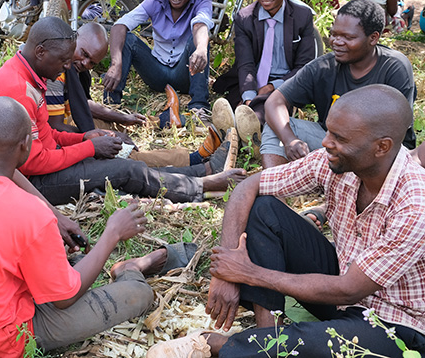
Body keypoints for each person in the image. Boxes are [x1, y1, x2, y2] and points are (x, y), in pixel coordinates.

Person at [146, 85, 425, 357]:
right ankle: (268, 331)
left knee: (315, 343)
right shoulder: (334, 163)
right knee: (264, 209)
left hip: (395, 322)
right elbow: (249, 187)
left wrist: (247, 273)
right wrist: (226, 269)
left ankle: (223, 346)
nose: (326, 142)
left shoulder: (415, 203)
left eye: (340, 138)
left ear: (382, 147)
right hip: (342, 282)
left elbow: (349, 290)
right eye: (328, 131)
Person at [0, 96, 198, 357]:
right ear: (25, 145)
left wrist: (54, 213)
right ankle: (129, 270)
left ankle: (79, 265)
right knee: (139, 295)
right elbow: (66, 299)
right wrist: (112, 233)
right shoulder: (30, 218)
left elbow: (6, 168)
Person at [0, 17, 245, 207]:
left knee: (128, 165)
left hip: (47, 167)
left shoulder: (28, 76)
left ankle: (205, 171)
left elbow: (48, 133)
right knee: (125, 172)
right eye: (62, 61)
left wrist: (85, 139)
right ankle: (202, 187)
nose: (65, 68)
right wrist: (91, 149)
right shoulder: (18, 89)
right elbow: (33, 163)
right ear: (40, 52)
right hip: (34, 183)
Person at [46, 22, 231, 171]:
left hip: (68, 127)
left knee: (110, 126)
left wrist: (122, 120)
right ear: (74, 38)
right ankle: (195, 160)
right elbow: (57, 130)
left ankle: (162, 120)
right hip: (61, 138)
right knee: (122, 153)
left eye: (91, 63)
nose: (85, 63)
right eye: (84, 54)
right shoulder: (56, 70)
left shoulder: (69, 64)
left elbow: (83, 106)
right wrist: (98, 137)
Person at [261, 0, 415, 169]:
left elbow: (394, 128)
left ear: (373, 38)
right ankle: (273, 188)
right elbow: (275, 102)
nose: (337, 42)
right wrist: (290, 140)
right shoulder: (323, 66)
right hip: (333, 144)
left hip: (378, 152)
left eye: (348, 37)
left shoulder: (393, 68)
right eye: (334, 34)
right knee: (278, 127)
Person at [102, 0, 213, 123]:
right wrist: (115, 63)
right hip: (156, 74)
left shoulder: (202, 0)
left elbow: (200, 25)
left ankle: (199, 108)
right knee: (129, 39)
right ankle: (111, 105)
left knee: (197, 42)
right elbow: (120, 25)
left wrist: (201, 49)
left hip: (186, 73)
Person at [212, 0, 317, 134]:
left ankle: (241, 127)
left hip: (286, 82)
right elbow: (245, 63)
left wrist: (271, 86)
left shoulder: (301, 16)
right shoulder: (244, 18)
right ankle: (243, 123)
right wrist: (248, 96)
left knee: (271, 102)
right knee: (240, 100)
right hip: (251, 80)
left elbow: (304, 66)